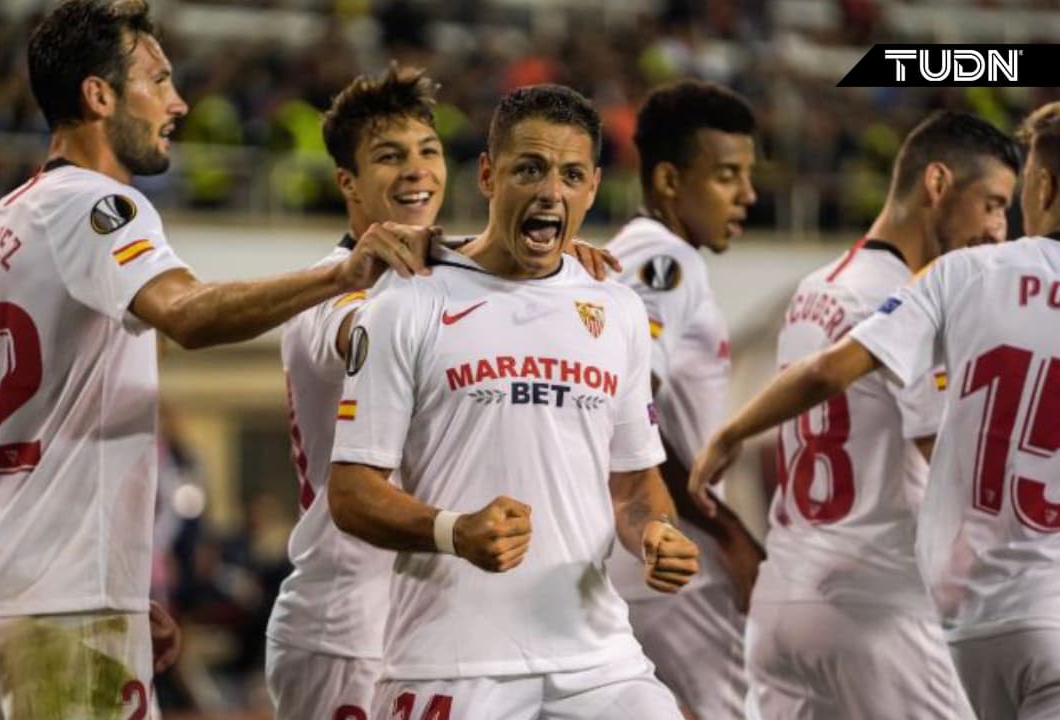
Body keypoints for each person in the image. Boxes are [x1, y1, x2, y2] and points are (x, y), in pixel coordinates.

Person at [0, 2, 431, 717]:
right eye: (159, 80)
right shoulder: (99, 204)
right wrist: (340, 275)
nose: (179, 102)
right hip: (62, 596)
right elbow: (188, 314)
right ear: (99, 95)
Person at [327, 84, 699, 720]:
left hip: (598, 659)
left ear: (593, 187)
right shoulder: (406, 302)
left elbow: (636, 483)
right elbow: (351, 492)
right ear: (487, 175)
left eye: (571, 175)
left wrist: (656, 533)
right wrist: (454, 531)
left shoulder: (617, 309)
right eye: (530, 169)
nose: (551, 191)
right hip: (451, 661)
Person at [265, 64, 620, 720]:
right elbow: (367, 328)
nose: (416, 171)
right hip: (344, 620)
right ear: (348, 183)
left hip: (430, 613)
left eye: (428, 151)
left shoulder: (437, 277)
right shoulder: (332, 288)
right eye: (388, 157)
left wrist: (548, 263)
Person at [690, 101, 1060, 720]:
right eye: (993, 205)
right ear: (938, 184)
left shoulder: (817, 287)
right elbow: (946, 450)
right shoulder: (918, 292)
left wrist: (731, 431)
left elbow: (822, 376)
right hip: (883, 602)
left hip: (785, 598)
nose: (1000, 227)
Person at [602, 79, 762, 718]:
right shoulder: (664, 261)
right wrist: (729, 533)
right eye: (727, 175)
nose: (747, 194)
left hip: (637, 551)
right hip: (676, 559)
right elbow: (626, 405)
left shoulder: (627, 254)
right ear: (669, 180)